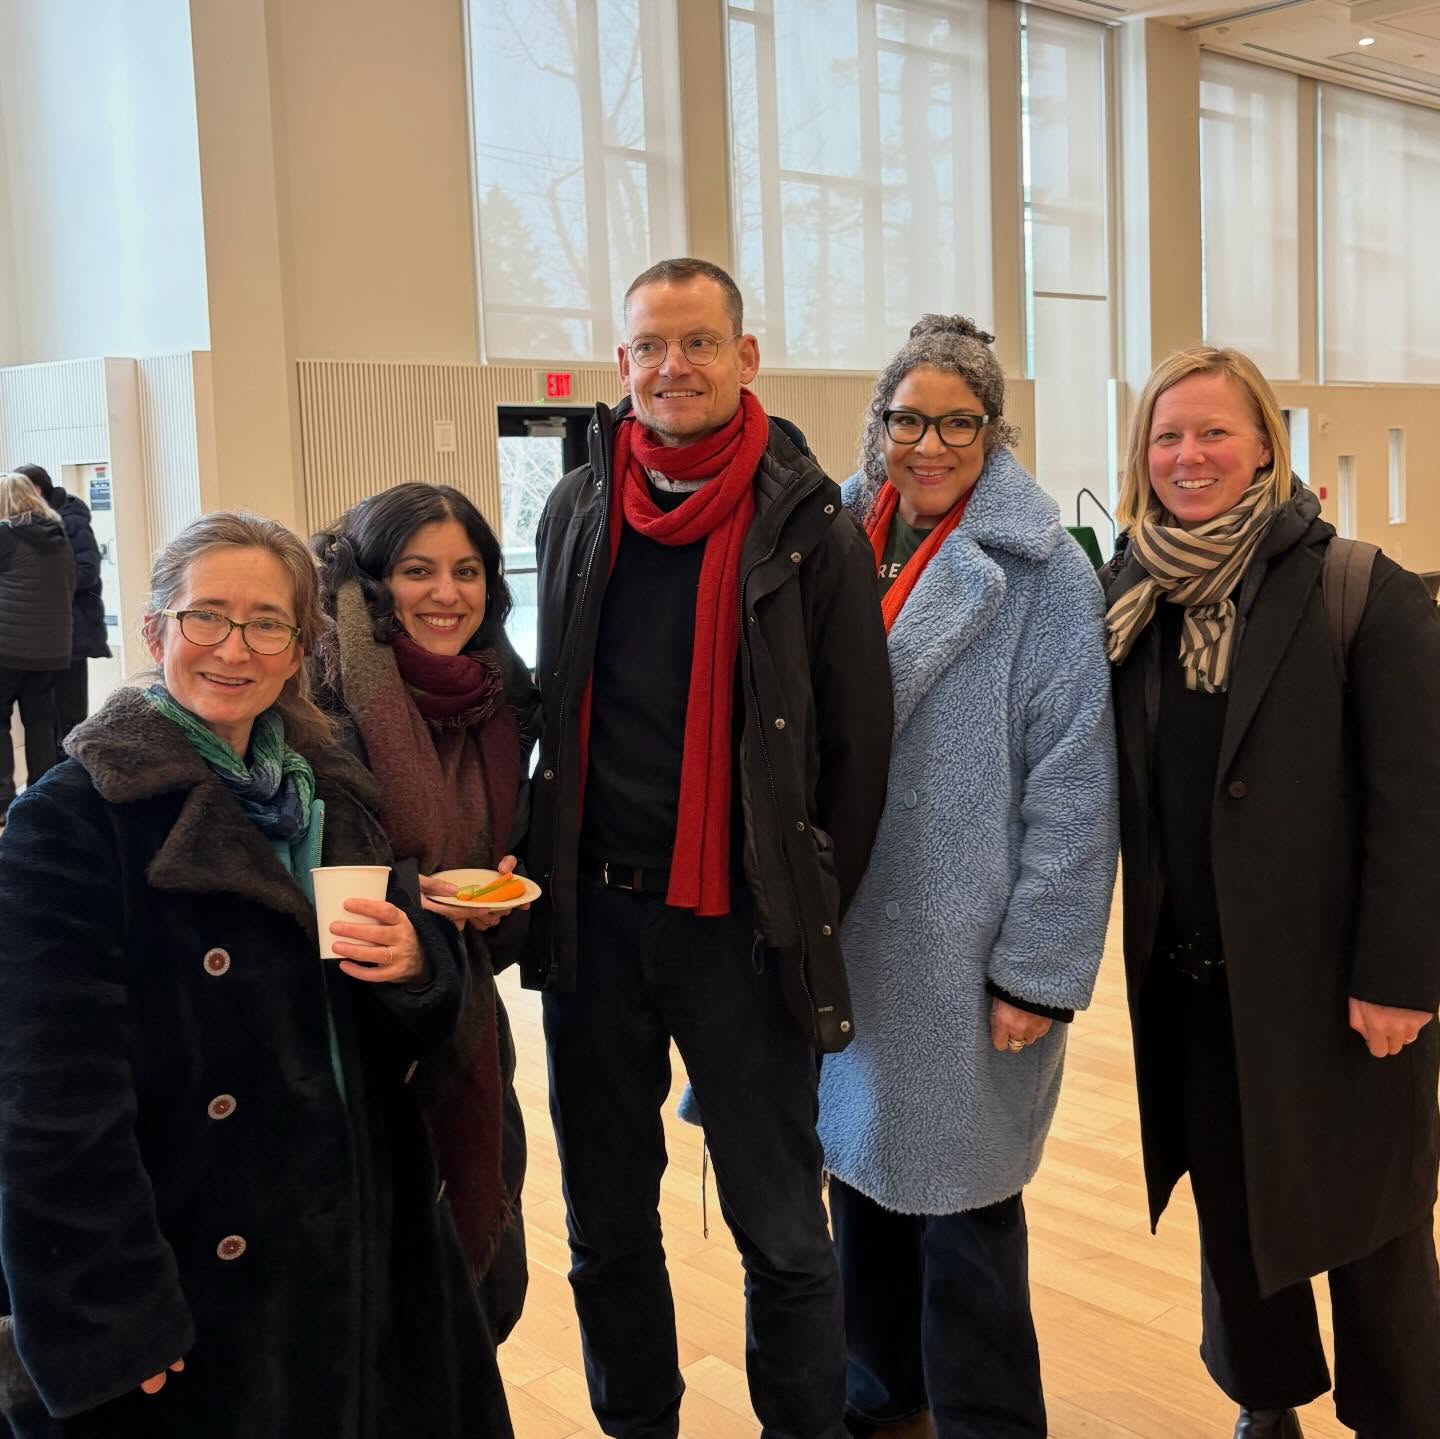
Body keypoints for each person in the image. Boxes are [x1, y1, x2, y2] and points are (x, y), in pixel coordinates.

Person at [0, 511, 513, 1438]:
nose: (234, 648)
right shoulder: (73, 818)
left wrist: (416, 960)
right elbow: (49, 1099)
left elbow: (395, 1017)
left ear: (298, 650)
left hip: (365, 1244)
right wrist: (107, 1309)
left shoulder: (329, 791)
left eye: (267, 623)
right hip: (200, 1262)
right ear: (155, 631)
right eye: (207, 616)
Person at [524, 256, 893, 1438]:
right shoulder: (577, 508)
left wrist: (797, 894)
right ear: (622, 361)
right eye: (649, 345)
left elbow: (856, 749)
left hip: (739, 926)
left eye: (696, 342)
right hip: (594, 920)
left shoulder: (813, 527)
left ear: (746, 356)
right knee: (604, 1221)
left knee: (782, 1228)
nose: (671, 366)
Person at [1102, 346, 1440, 1439]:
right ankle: (1267, 1395)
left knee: (1377, 1224)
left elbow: (1418, 803)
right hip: (1198, 981)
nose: (1189, 455)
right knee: (1236, 1206)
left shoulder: (1361, 588)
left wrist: (1401, 975)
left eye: (1214, 431)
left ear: (1263, 447)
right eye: (1167, 435)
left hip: (1339, 986)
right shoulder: (1132, 596)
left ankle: (1404, 1412)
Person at [816, 316, 1118, 1439]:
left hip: (964, 943)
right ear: (879, 425)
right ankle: (881, 1392)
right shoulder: (832, 542)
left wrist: (1038, 970)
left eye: (959, 421)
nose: (930, 444)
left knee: (968, 1207)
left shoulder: (1044, 573)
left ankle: (990, 1419)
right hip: (847, 933)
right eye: (910, 420)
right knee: (861, 1177)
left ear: (994, 430)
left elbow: (1076, 786)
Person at [312, 481, 539, 1346]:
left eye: (467, 570)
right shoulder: (317, 700)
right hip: (348, 1046)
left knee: (477, 1297)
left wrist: (498, 895)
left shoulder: (498, 699)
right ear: (374, 583)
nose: (447, 593)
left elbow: (505, 866)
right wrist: (417, 903)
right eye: (418, 571)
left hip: (463, 1016)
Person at [14, 464, 111, 740]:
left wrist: (43, 589)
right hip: (46, 635)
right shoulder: (32, 521)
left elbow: (87, 571)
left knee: (70, 713)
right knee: (46, 715)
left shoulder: (70, 519)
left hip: (72, 634)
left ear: (36, 490)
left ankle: (72, 763)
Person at [0, 472, 73, 822]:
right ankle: (41, 797)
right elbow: (71, 584)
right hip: (49, 650)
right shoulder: (59, 537)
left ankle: (2, 800)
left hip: (6, 647)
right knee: (41, 722)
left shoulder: (4, 535)